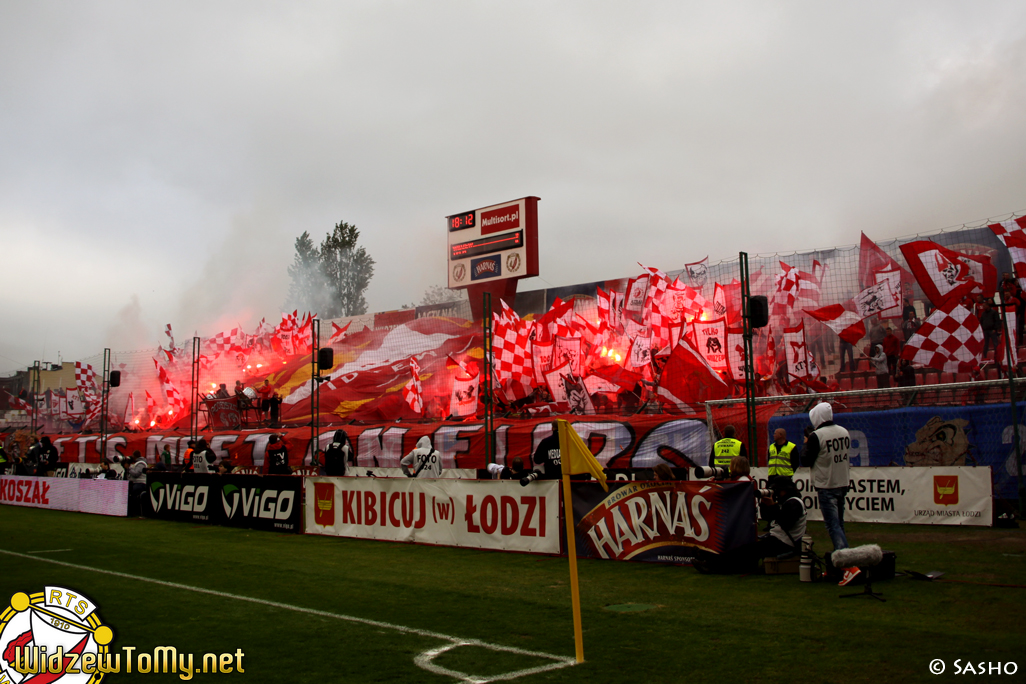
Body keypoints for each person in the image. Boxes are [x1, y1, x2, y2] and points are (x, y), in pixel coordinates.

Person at [801, 401, 858, 584]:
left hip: (826, 484)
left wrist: (808, 442)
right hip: (842, 482)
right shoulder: (844, 431)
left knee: (832, 526)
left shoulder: (817, 436)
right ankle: (839, 568)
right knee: (838, 525)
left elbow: (806, 459)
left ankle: (849, 566)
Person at [752, 478, 808, 560]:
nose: (776, 493)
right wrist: (764, 504)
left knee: (748, 551)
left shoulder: (794, 503)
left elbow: (786, 523)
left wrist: (772, 506)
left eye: (777, 490)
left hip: (786, 543)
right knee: (748, 549)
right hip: (778, 540)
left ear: (785, 490)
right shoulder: (784, 502)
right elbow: (766, 517)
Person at [126, 450, 148, 516]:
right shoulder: (137, 463)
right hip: (136, 482)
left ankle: (135, 512)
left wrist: (129, 468)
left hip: (141, 483)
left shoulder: (141, 463)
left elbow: (136, 474)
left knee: (134, 493)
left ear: (134, 456)